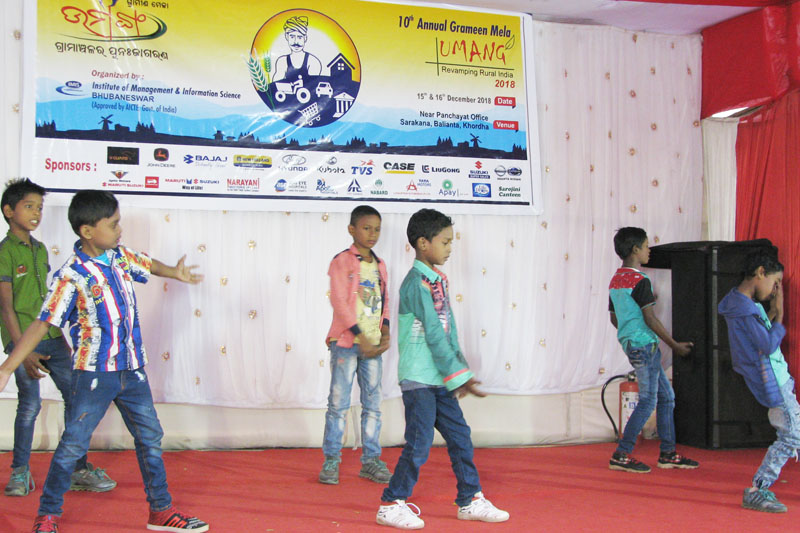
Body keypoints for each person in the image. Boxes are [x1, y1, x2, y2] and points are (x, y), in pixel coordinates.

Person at [0, 190, 209, 532]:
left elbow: (148, 264)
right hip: (94, 375)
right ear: (87, 231)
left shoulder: (121, 257)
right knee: (73, 445)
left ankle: (161, 511)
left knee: (150, 438)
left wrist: (174, 272)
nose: (119, 229)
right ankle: (48, 515)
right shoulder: (71, 276)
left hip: (133, 370)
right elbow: (42, 323)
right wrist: (8, 367)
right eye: (113, 225)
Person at [376, 209, 508, 529]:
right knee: (419, 443)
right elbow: (434, 333)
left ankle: (470, 499)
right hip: (419, 379)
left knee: (460, 437)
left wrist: (457, 372)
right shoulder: (415, 284)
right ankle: (391, 504)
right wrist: (460, 375)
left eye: (452, 241)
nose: (450, 248)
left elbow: (450, 331)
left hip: (441, 379)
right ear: (423, 243)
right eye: (445, 242)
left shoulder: (437, 281)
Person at [0, 179, 116, 497]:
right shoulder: (4, 252)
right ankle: (19, 473)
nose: (36, 213)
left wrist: (64, 337)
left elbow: (50, 304)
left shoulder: (39, 249)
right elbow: (6, 307)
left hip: (53, 337)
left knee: (76, 398)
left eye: (39, 207)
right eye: (28, 206)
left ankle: (77, 468)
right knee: (30, 404)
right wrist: (21, 352)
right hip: (22, 340)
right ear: (9, 211)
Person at [608, 227, 699, 473]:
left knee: (666, 397)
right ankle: (621, 454)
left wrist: (629, 334)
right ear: (635, 249)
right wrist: (674, 345)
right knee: (648, 401)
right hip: (644, 345)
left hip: (633, 344)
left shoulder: (616, 280)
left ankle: (668, 453)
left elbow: (615, 318)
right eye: (647, 246)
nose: (649, 251)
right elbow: (650, 318)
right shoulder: (640, 280)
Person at [718, 248, 795, 513]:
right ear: (760, 273)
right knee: (792, 436)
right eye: (775, 282)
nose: (775, 290)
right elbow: (767, 344)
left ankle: (759, 489)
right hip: (774, 381)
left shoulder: (740, 304)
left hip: (775, 379)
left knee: (793, 433)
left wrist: (770, 314)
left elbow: (757, 335)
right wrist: (779, 313)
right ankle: (758, 489)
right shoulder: (745, 309)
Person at [320, 205, 392, 485]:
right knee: (338, 403)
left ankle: (371, 460)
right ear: (351, 229)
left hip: (372, 346)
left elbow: (385, 301)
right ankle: (331, 460)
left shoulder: (380, 264)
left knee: (372, 404)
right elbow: (339, 302)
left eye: (377, 229)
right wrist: (359, 335)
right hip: (347, 343)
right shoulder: (342, 261)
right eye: (366, 228)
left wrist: (384, 330)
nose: (372, 234)